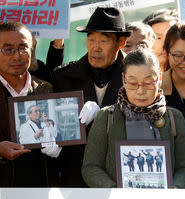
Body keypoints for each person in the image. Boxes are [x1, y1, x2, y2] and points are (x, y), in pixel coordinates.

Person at [82, 48, 185, 188]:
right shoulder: (106, 117)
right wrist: (114, 190)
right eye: (133, 83)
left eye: (148, 83)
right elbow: (91, 167)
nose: (140, 91)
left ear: (159, 79)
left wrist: (174, 189)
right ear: (123, 80)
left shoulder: (174, 118)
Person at [53, 7, 131, 186]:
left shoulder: (136, 76)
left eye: (103, 40)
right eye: (91, 39)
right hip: (74, 177)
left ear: (121, 42)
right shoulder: (64, 76)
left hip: (120, 174)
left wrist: (105, 113)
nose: (96, 47)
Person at [0, 21, 59, 187]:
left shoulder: (46, 89)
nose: (17, 56)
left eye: (23, 47)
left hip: (42, 192)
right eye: (8, 49)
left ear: (32, 50)